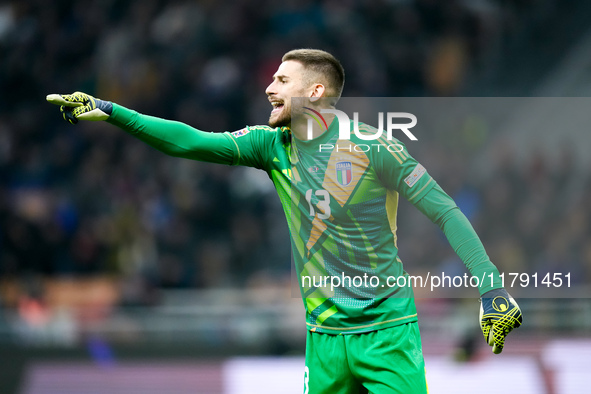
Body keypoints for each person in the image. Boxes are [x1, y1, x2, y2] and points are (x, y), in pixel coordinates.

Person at [47, 48, 522, 393]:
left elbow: (445, 211)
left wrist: (492, 290)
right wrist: (112, 112)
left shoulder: (374, 147)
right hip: (324, 341)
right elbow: (189, 141)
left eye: (281, 79)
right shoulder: (269, 146)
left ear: (314, 91)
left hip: (386, 332)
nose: (269, 87)